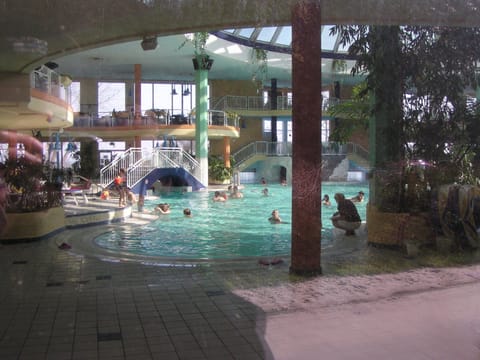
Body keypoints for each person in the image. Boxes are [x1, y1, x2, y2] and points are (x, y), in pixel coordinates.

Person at [0, 131, 43, 235]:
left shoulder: (3, 179)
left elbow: (5, 191)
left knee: (4, 222)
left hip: (2, 203)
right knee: (4, 221)